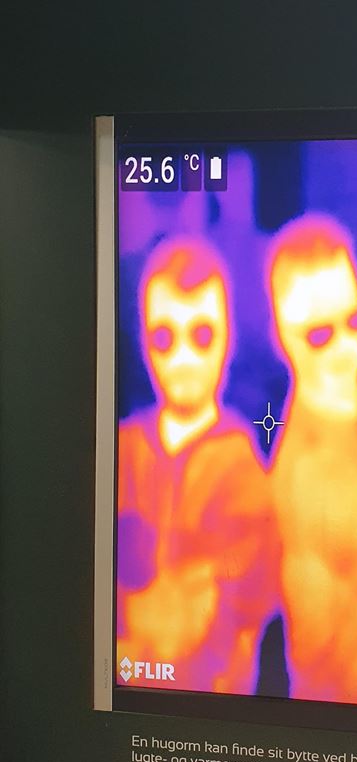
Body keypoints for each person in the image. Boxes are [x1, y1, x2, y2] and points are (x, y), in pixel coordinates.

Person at [116, 236, 278, 695]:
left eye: (202, 335)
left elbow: (245, 607)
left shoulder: (241, 466)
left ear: (228, 339)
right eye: (164, 338)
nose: (184, 359)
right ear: (143, 341)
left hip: (209, 709)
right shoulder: (124, 448)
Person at [266, 213, 357, 705]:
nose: (345, 346)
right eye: (318, 334)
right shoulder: (312, 474)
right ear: (282, 338)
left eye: (355, 321)